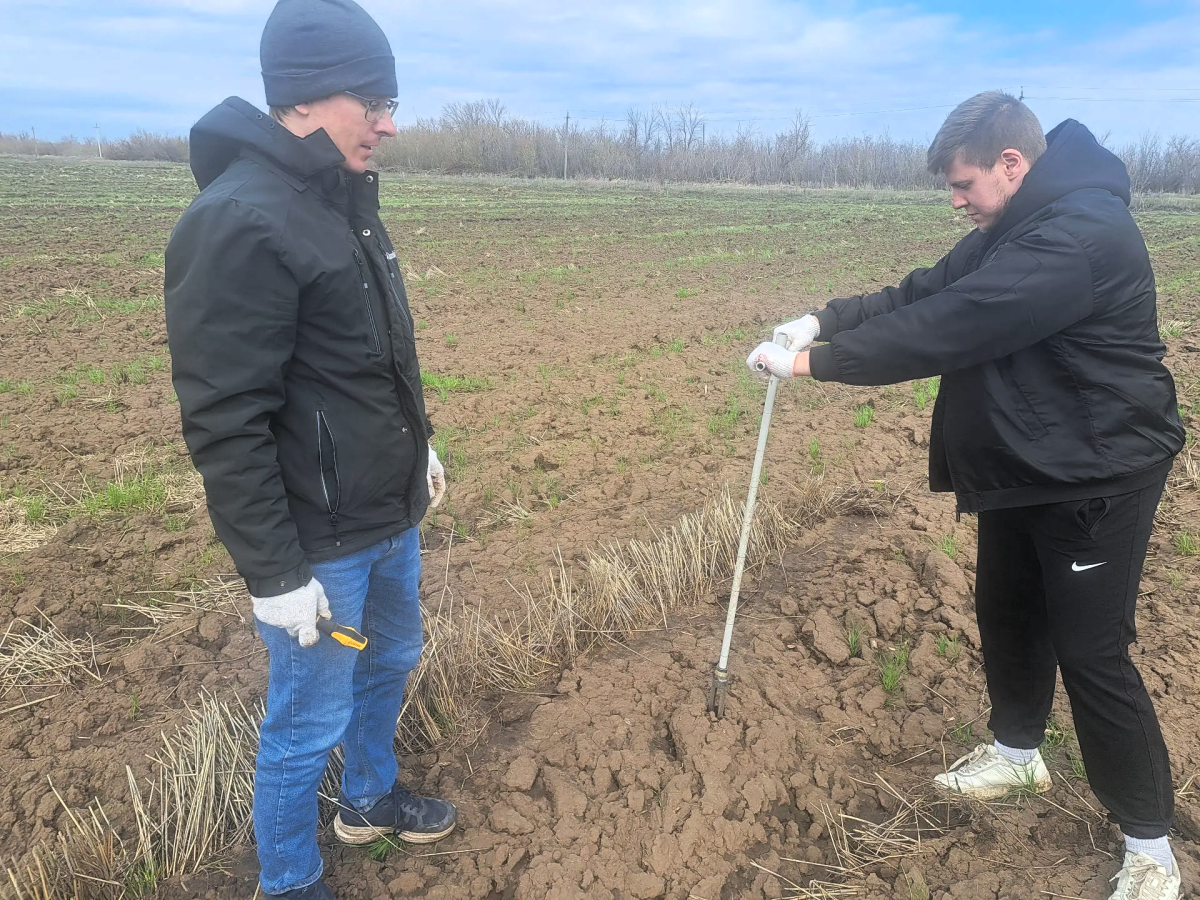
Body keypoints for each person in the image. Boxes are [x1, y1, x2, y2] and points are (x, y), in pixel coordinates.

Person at [747, 91, 1185, 900]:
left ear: (1011, 166)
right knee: (1007, 611)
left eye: (964, 185)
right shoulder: (1012, 226)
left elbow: (950, 324)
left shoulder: (1080, 237)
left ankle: (1151, 845)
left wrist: (814, 367)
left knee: (1093, 653)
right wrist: (822, 320)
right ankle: (1019, 757)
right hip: (1026, 462)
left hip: (1098, 473)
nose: (955, 203)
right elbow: (925, 290)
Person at [164, 1, 456, 896]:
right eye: (374, 101)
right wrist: (273, 572)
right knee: (305, 722)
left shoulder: (341, 201)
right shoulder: (239, 221)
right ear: (305, 97)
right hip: (318, 543)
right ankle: (286, 882)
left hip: (388, 514)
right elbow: (224, 418)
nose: (390, 123)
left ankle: (367, 799)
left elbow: (374, 357)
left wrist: (423, 448)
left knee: (393, 661)